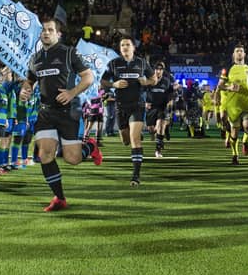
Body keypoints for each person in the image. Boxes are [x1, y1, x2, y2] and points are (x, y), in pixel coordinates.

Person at [19, 18, 103, 212]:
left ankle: (90, 146)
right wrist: (25, 90)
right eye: (44, 30)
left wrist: (72, 93)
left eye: (50, 30)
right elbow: (29, 81)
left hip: (68, 112)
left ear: (58, 34)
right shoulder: (35, 58)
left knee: (72, 159)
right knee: (45, 154)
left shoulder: (69, 53)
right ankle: (59, 198)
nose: (46, 33)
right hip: (46, 112)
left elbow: (88, 77)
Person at [101, 36, 157, 187]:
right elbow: (103, 82)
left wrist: (147, 82)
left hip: (137, 105)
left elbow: (154, 79)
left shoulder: (142, 63)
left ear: (133, 47)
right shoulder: (113, 64)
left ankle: (136, 176)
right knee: (126, 140)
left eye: (127, 45)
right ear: (120, 49)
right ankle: (135, 135)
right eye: (122, 45)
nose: (125, 47)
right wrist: (114, 84)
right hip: (120, 106)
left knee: (134, 139)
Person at [218, 44, 248, 166]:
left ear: (244, 54)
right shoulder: (228, 69)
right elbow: (220, 85)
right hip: (233, 106)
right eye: (237, 51)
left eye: (241, 51)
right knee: (234, 132)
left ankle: (244, 141)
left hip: (247, 104)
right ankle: (235, 155)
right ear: (234, 55)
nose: (239, 53)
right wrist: (229, 87)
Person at [145, 62, 173, 158]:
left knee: (160, 126)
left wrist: (170, 101)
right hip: (151, 108)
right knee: (152, 130)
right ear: (154, 70)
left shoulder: (166, 81)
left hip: (162, 107)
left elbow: (171, 92)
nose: (158, 71)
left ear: (162, 71)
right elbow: (142, 91)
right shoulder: (149, 80)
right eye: (156, 69)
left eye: (160, 69)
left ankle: (158, 150)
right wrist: (145, 102)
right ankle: (163, 132)